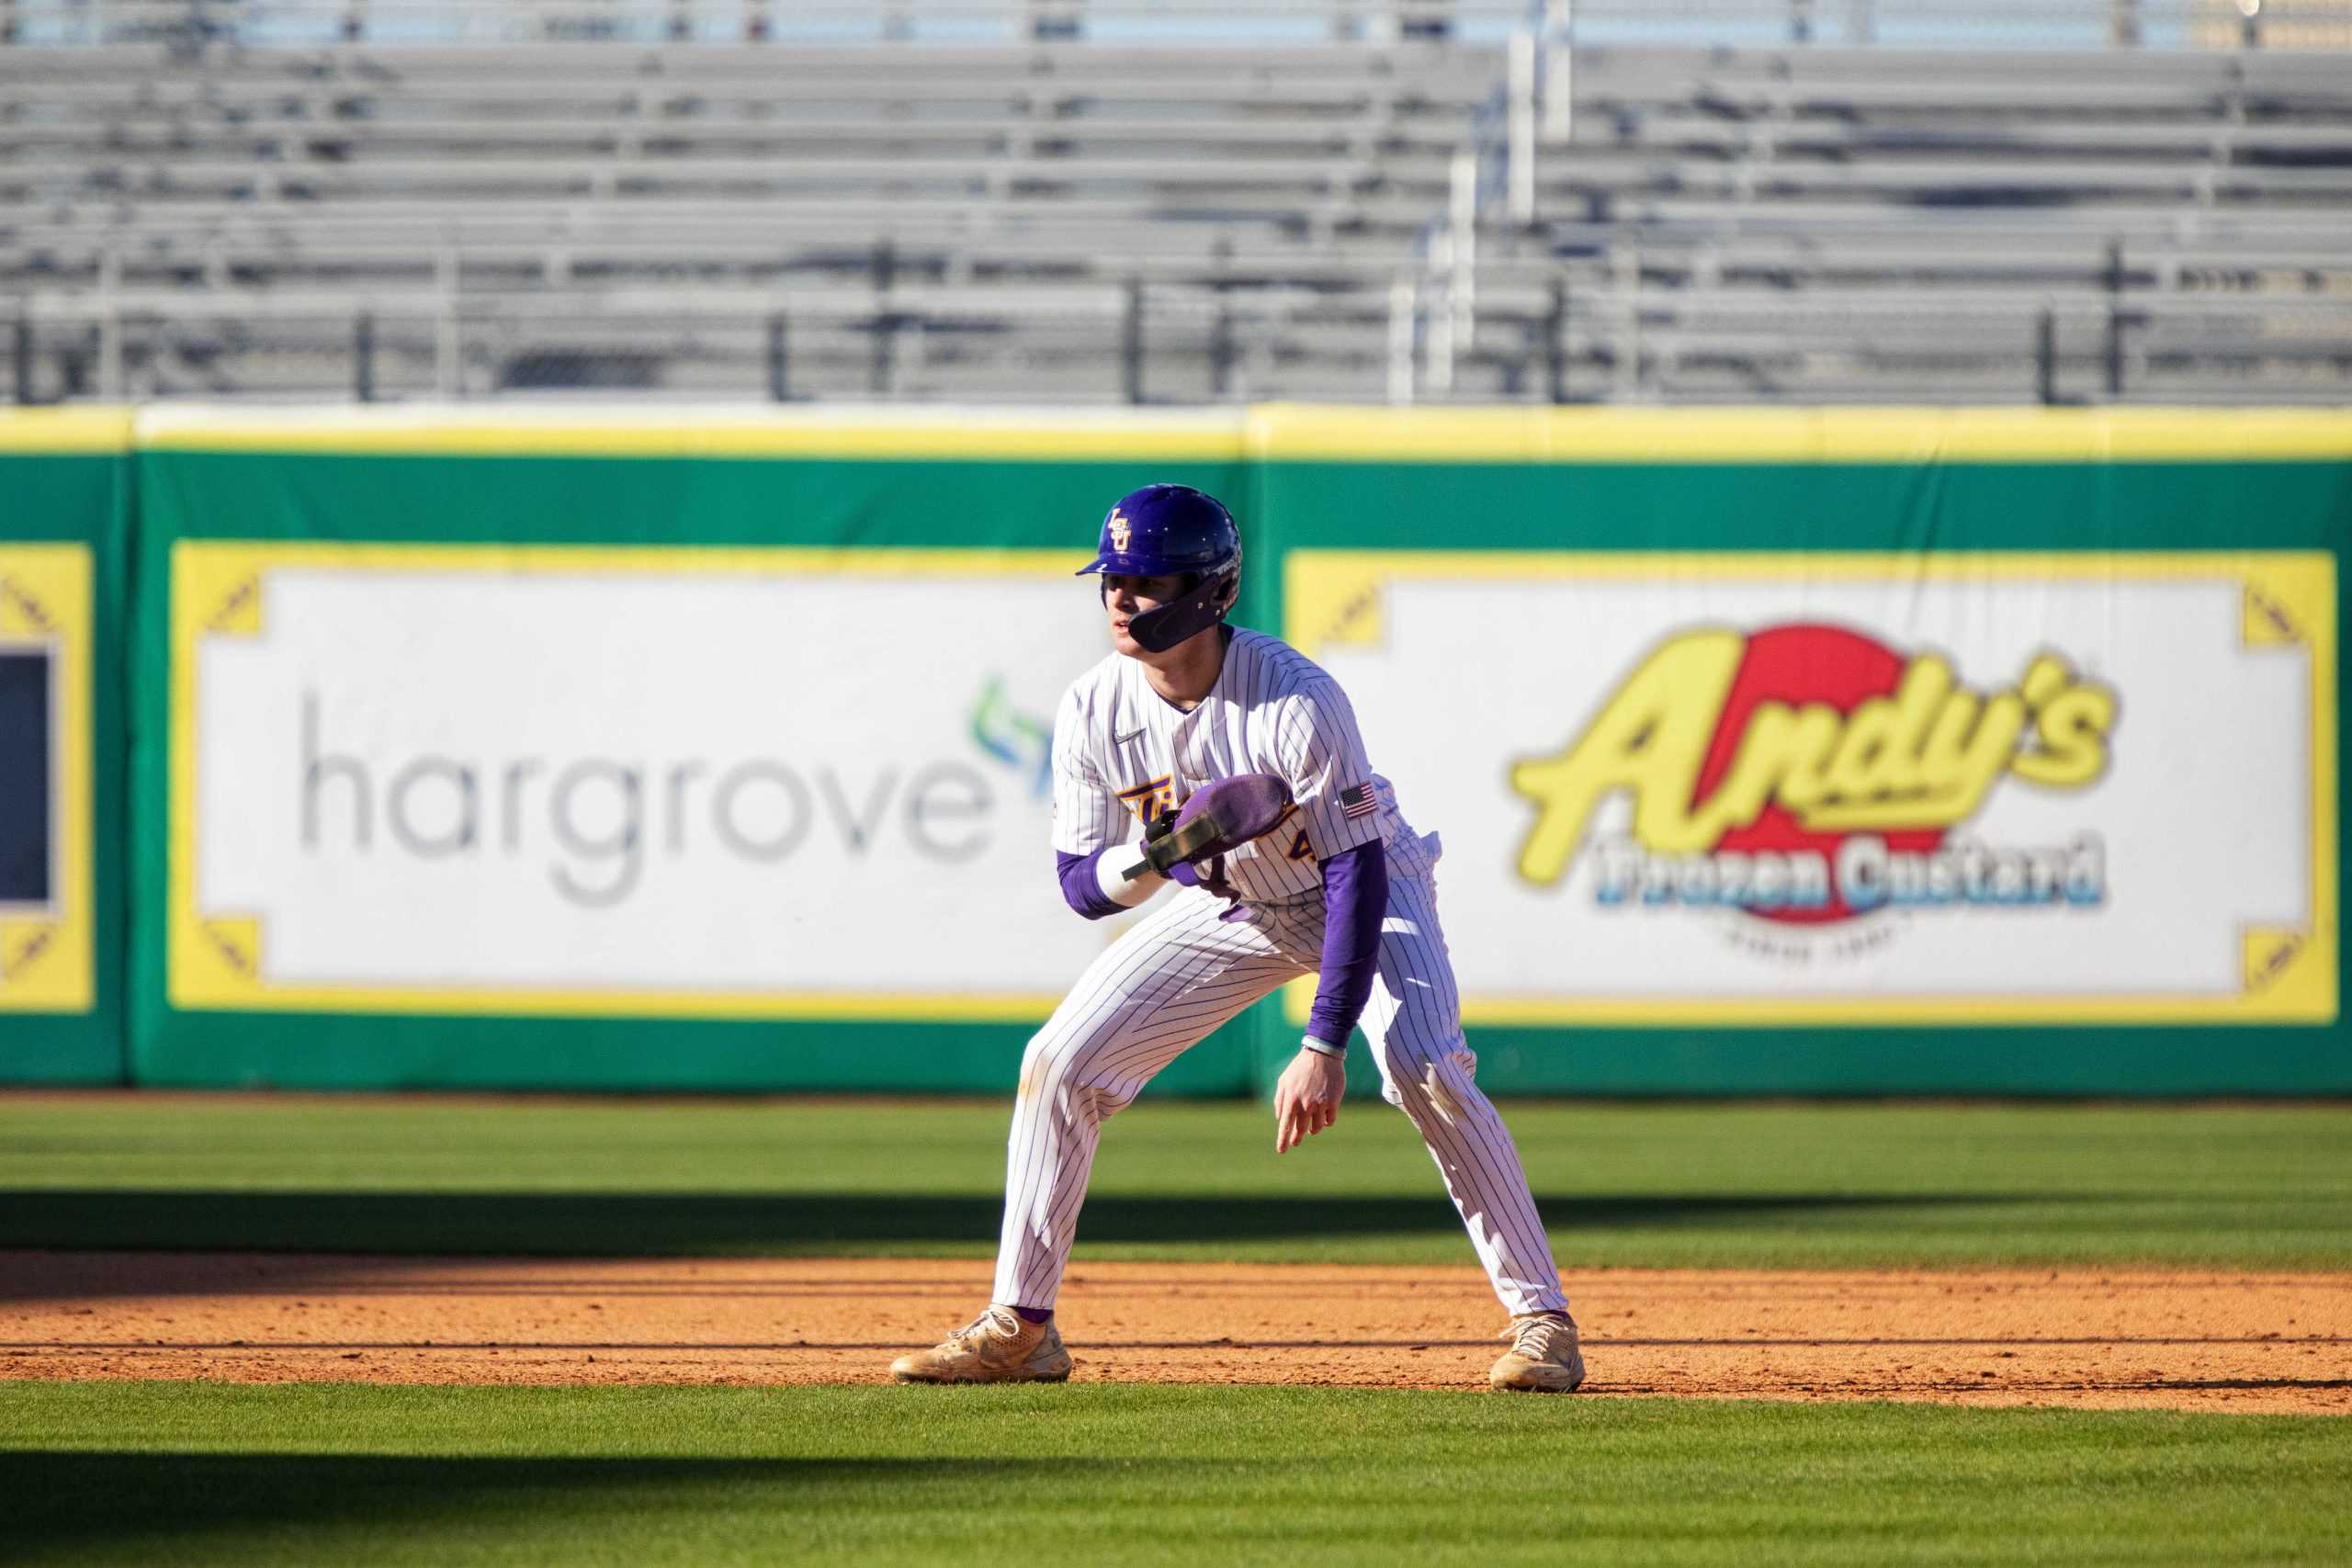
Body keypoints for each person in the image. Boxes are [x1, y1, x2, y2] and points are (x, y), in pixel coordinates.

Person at [889, 484, 1582, 1393]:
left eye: (1146, 578)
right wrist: (1160, 850)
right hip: (1229, 902)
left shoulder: (1294, 696)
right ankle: (1021, 1328)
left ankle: (1544, 1326)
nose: (1121, 598)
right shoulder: (1094, 708)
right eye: (1112, 579)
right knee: (1058, 1062)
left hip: (1360, 888)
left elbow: (1354, 873)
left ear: (1209, 591)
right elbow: (1079, 888)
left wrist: (1322, 1042)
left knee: (1421, 1062)